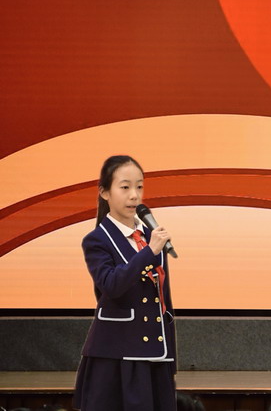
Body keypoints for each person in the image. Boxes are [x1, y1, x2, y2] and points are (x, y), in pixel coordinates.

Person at [73, 155, 177, 411]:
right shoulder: (97, 240)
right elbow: (111, 285)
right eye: (125, 187)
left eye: (139, 187)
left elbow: (164, 301)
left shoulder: (151, 238)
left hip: (156, 355)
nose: (134, 195)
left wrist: (171, 359)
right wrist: (149, 253)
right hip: (117, 355)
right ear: (104, 193)